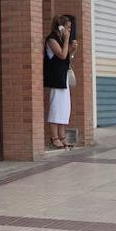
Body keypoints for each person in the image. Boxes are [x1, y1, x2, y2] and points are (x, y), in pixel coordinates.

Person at [44, 15, 77, 149]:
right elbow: (62, 55)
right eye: (68, 27)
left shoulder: (61, 40)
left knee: (64, 108)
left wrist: (72, 49)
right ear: (61, 27)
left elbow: (67, 56)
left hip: (63, 79)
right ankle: (54, 137)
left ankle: (62, 136)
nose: (69, 30)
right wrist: (67, 40)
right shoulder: (52, 40)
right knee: (56, 107)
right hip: (56, 79)